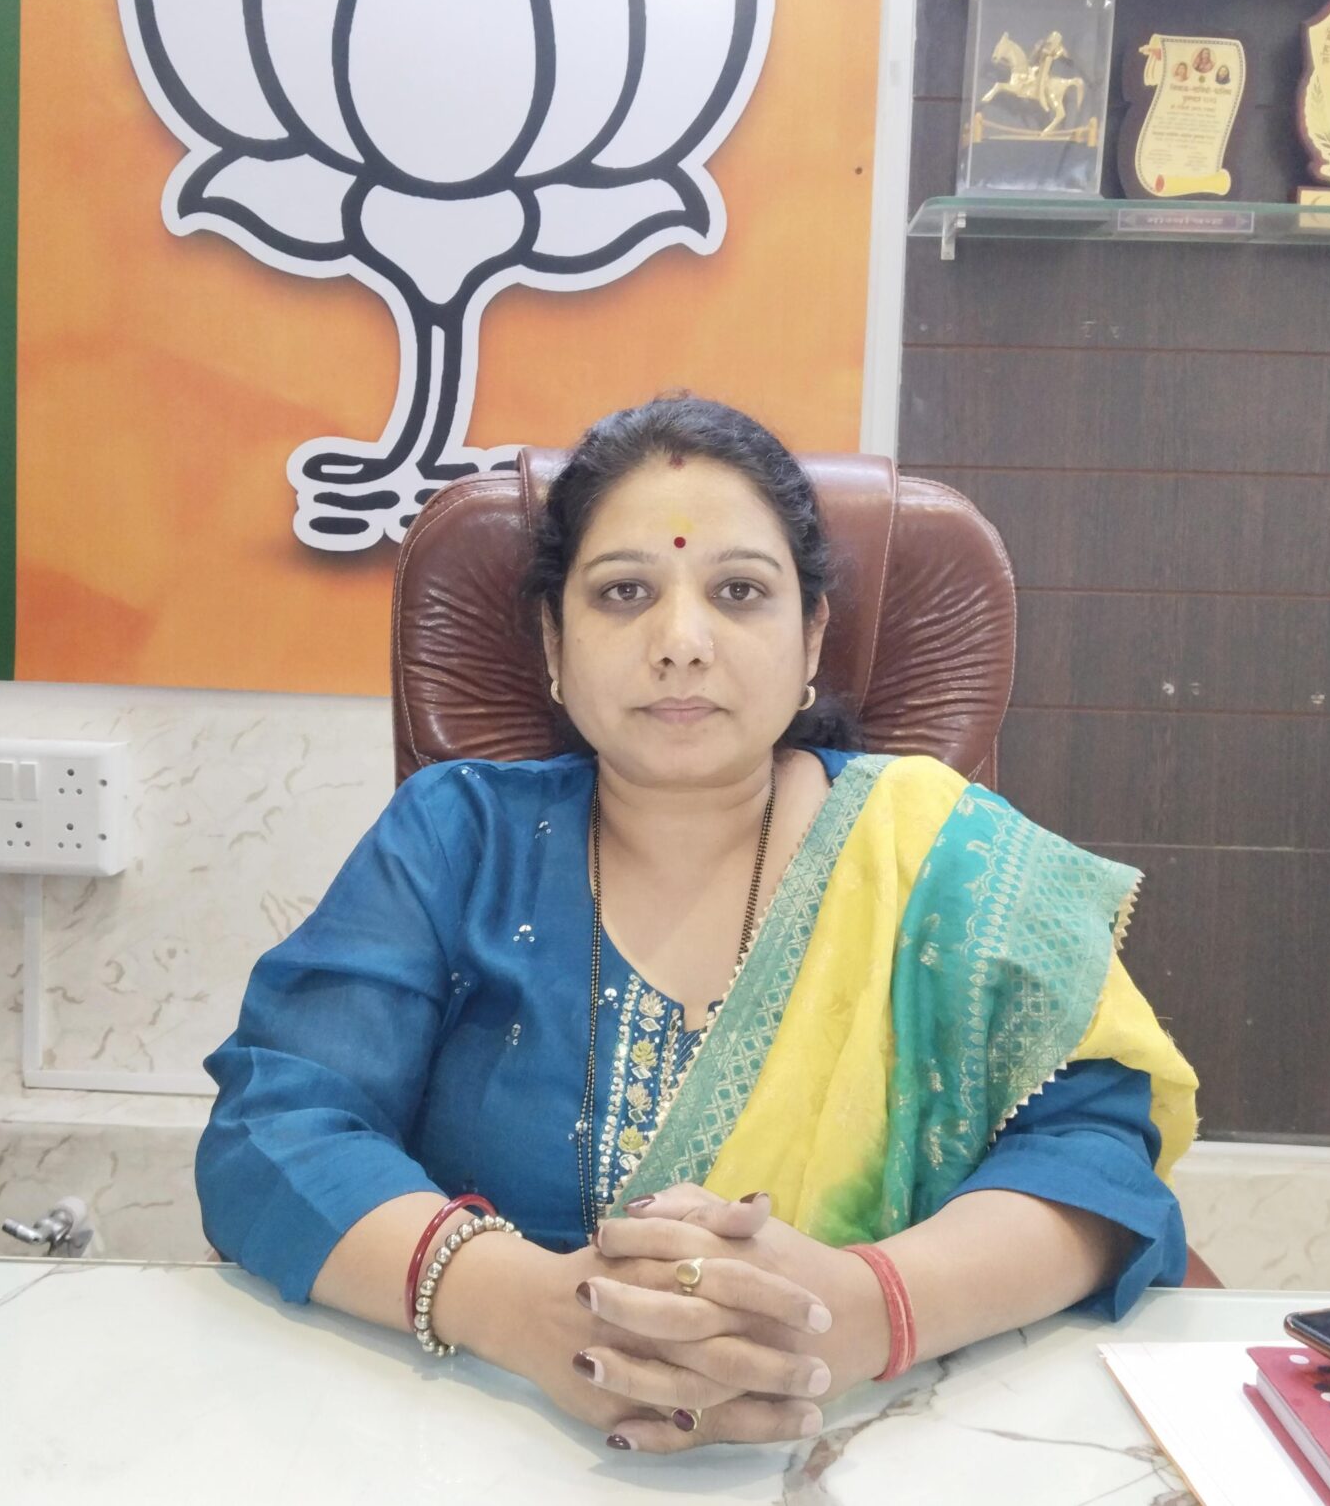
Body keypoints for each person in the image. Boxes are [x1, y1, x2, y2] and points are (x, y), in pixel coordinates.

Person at [196, 395, 1198, 1454]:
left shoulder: (938, 854)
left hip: (877, 1441)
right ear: (554, 642)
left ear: (812, 636)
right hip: (488, 1433)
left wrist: (870, 1305)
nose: (680, 641)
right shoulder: (457, 839)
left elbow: (1095, 1154)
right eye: (624, 592)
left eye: (739, 591)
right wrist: (515, 1306)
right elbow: (273, 1129)